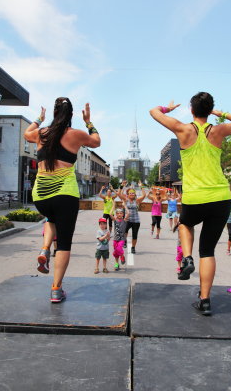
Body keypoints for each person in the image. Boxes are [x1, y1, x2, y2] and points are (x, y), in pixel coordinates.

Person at [150, 93, 231, 315]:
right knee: (208, 251)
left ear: (192, 110)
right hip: (220, 196)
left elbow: (153, 112)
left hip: (195, 197)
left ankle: (187, 257)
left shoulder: (183, 129)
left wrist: (168, 109)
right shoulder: (219, 130)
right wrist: (219, 113)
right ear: (210, 109)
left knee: (185, 224)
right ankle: (205, 301)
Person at [24, 98, 100, 302]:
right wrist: (89, 122)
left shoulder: (41, 133)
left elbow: (26, 133)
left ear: (54, 113)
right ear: (71, 115)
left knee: (51, 218)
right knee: (65, 244)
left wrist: (38, 119)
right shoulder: (75, 135)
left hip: (40, 195)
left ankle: (44, 248)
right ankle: (56, 289)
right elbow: (97, 141)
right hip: (65, 195)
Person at [117, 180, 146, 253]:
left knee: (135, 235)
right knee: (124, 232)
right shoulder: (126, 200)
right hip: (127, 220)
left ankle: (133, 248)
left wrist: (141, 186)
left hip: (136, 221)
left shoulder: (137, 201)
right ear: (128, 194)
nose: (132, 194)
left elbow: (144, 195)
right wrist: (122, 185)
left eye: (133, 193)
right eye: (130, 193)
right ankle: (125, 240)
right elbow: (119, 194)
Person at [110, 201, 129, 271]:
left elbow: (128, 213)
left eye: (121, 213)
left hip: (122, 239)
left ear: (123, 214)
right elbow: (110, 214)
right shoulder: (115, 220)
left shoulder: (124, 220)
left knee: (118, 249)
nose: (119, 214)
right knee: (116, 253)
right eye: (117, 213)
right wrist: (113, 206)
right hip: (115, 238)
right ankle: (116, 264)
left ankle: (122, 256)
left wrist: (125, 206)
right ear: (116, 214)